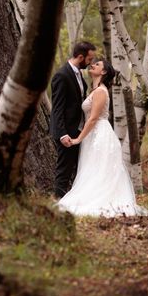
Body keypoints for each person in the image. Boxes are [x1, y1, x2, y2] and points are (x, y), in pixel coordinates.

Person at [56, 60, 148, 217]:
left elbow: (93, 118)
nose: (93, 64)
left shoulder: (101, 91)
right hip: (93, 134)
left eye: (98, 64)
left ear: (104, 72)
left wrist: (78, 139)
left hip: (100, 133)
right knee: (92, 168)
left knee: (98, 169)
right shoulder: (94, 90)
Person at [50, 41, 96, 199]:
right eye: (89, 59)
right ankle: (57, 204)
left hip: (77, 131)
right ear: (81, 57)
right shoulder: (62, 75)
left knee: (78, 170)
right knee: (64, 170)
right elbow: (57, 108)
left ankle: (73, 202)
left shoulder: (79, 74)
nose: (90, 63)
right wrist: (62, 134)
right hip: (67, 134)